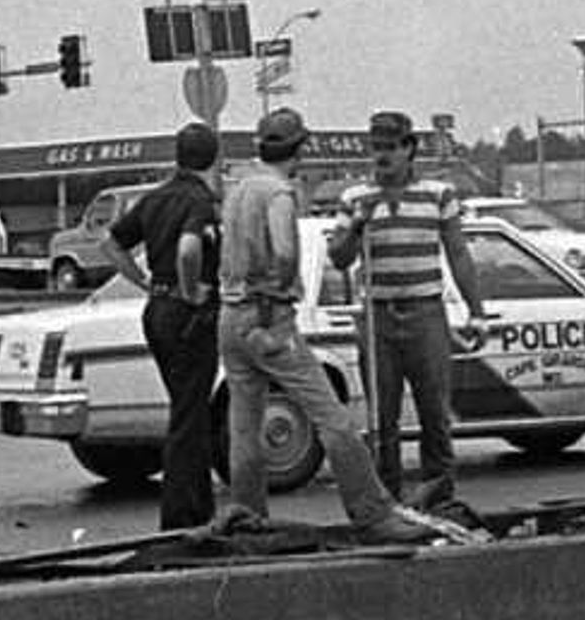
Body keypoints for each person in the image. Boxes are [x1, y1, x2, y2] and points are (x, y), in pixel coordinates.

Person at [214, 107, 437, 543]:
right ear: (297, 149)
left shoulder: (239, 187)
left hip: (230, 318)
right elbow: (281, 249)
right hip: (268, 316)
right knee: (332, 418)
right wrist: (278, 283)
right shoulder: (278, 192)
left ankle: (247, 515)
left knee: (244, 424)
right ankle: (373, 513)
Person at [323, 108, 480, 499]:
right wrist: (357, 225)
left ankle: (439, 497)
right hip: (378, 318)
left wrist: (476, 311)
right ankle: (387, 502)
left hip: (426, 312)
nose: (383, 156)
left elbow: (458, 253)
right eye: (377, 148)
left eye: (391, 147)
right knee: (382, 419)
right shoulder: (355, 198)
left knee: (435, 414)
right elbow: (338, 258)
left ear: (409, 149)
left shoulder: (437, 195)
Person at [104, 121, 224, 531]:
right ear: (213, 158)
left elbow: (112, 243)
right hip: (188, 312)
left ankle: (198, 504)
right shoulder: (200, 200)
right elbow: (191, 248)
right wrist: (191, 291)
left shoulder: (155, 198)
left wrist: (141, 280)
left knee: (187, 408)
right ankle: (181, 516)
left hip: (156, 308)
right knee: (190, 415)